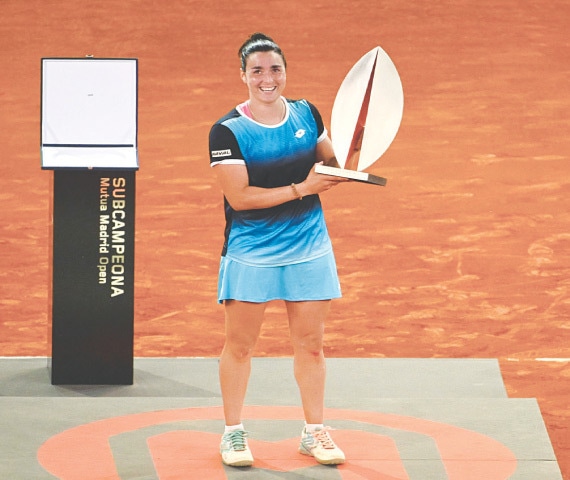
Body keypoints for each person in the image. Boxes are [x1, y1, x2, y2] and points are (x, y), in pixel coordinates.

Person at [208, 32, 348, 468]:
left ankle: (314, 431)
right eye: (258, 71)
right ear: (244, 76)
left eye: (275, 69)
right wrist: (302, 187)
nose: (268, 79)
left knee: (311, 345)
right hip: (252, 252)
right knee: (240, 346)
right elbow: (241, 198)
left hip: (309, 246)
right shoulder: (228, 131)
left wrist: (355, 152)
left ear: (284, 72)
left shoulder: (307, 112)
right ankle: (232, 433)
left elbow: (331, 162)